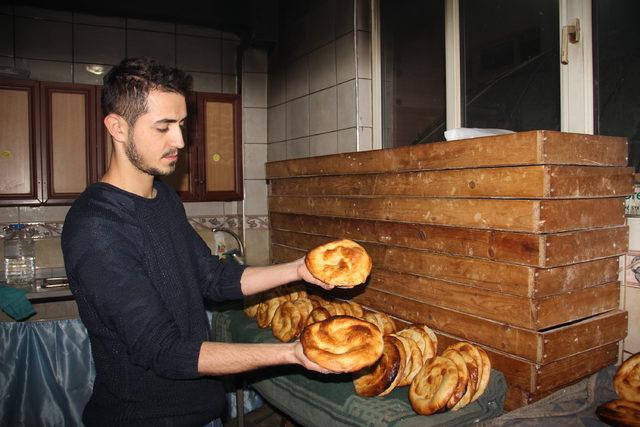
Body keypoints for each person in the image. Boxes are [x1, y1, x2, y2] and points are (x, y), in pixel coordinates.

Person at [61, 57, 334, 427]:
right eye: (163, 128)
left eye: (182, 124)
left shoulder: (163, 198)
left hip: (204, 410)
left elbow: (212, 278)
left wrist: (301, 269)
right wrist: (290, 354)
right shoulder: (96, 226)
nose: (180, 141)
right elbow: (167, 352)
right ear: (117, 127)